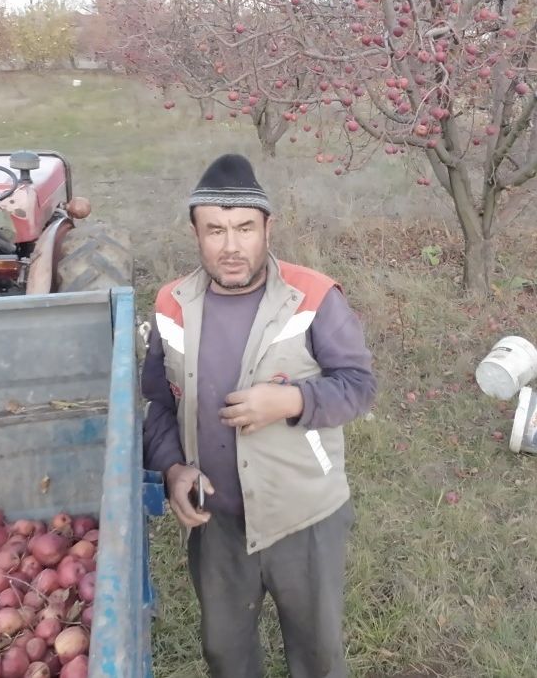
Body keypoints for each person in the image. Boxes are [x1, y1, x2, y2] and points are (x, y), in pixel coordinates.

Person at [140, 153, 377, 678]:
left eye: (245, 228)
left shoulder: (312, 297)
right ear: (196, 234)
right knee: (226, 655)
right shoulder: (170, 304)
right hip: (217, 520)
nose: (231, 247)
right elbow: (158, 403)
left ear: (268, 227)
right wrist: (173, 470)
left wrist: (291, 401)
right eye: (215, 230)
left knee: (316, 656)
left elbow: (359, 387)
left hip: (304, 516)